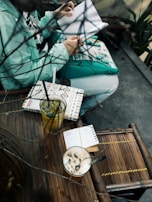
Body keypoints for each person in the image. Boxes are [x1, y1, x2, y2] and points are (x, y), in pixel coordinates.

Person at [0, 0, 119, 119]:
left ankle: (73, 109)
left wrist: (55, 17)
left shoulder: (21, 5)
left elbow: (35, 35)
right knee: (112, 83)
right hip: (36, 82)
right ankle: (75, 116)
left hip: (47, 57)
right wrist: (64, 51)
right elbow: (25, 76)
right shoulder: (5, 20)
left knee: (95, 47)